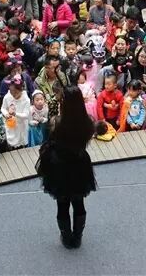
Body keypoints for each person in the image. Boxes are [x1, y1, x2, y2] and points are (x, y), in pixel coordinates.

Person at [36, 85, 96, 249]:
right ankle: (78, 237)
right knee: (79, 202)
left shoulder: (56, 122)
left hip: (60, 166)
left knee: (62, 204)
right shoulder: (88, 122)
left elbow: (49, 142)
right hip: (80, 164)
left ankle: (66, 236)